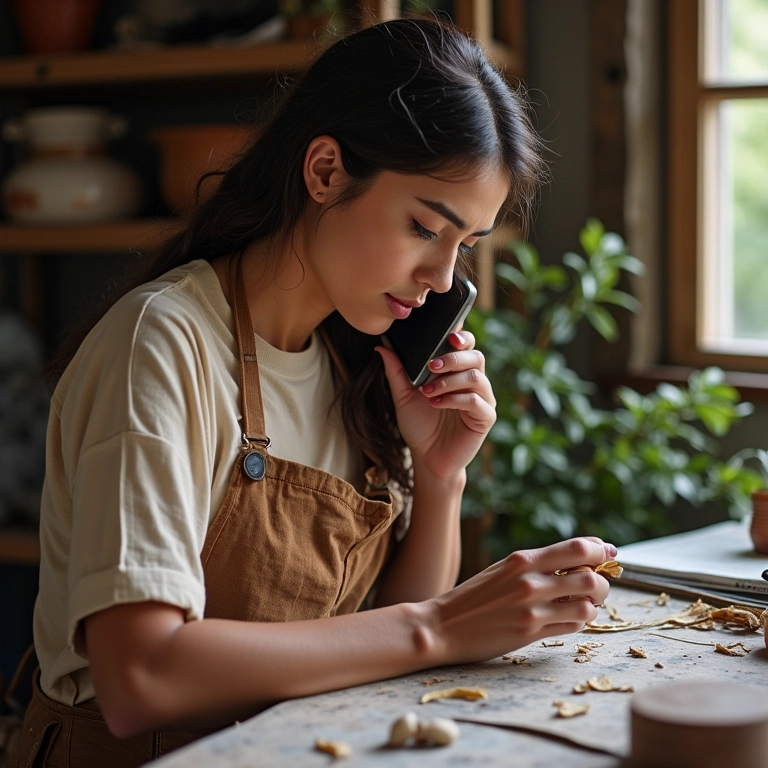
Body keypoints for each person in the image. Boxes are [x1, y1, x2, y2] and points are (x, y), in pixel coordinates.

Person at [17, 15, 615, 766]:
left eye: (464, 246)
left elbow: (377, 645)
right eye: (427, 227)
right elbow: (141, 677)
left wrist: (439, 477)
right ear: (326, 171)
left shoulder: (350, 360)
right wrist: (443, 626)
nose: (443, 278)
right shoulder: (163, 343)